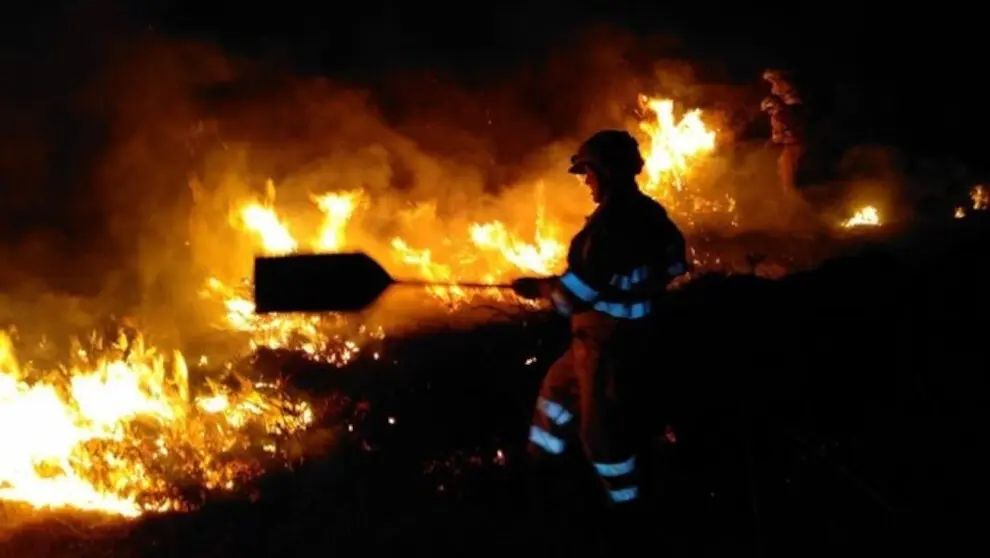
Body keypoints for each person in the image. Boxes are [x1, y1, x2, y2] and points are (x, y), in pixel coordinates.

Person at [511, 130, 689, 516]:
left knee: (603, 439)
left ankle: (628, 511)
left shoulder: (606, 229)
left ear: (605, 172)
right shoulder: (651, 213)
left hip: (610, 347)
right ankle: (541, 474)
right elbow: (677, 264)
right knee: (554, 397)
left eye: (587, 172)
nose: (586, 181)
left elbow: (572, 297)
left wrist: (539, 288)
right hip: (599, 342)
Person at [761, 94, 805, 193]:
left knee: (787, 172)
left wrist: (774, 140)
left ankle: (790, 195)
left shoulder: (779, 117)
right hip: (794, 145)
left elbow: (784, 133)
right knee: (783, 166)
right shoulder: (786, 112)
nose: (768, 113)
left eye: (769, 110)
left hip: (793, 146)